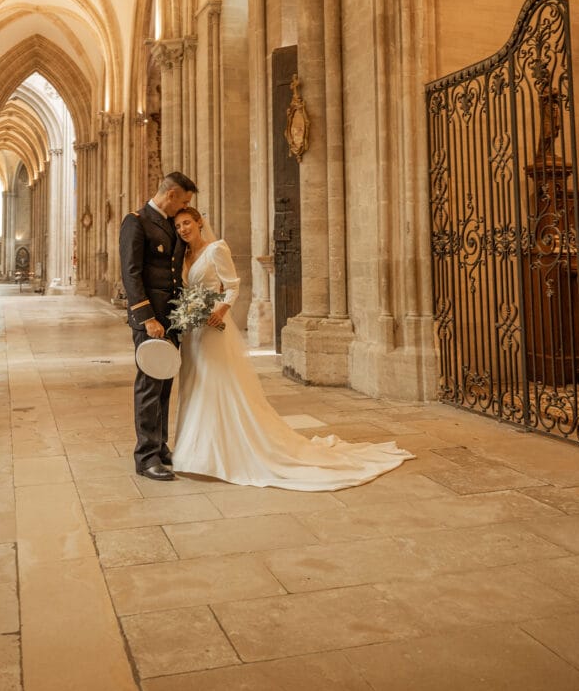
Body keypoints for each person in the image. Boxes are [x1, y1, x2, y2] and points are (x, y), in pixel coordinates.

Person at [171, 207, 415, 490]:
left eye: (186, 223)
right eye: (178, 226)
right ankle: (195, 453)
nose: (182, 229)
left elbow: (232, 286)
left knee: (218, 385)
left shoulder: (216, 249)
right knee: (195, 384)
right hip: (193, 332)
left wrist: (221, 310)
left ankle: (219, 453)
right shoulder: (185, 256)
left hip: (214, 326)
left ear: (199, 222)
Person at [119, 171, 197, 480]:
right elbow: (131, 272)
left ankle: (161, 446)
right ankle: (146, 455)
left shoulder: (169, 223)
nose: (186, 207)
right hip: (151, 319)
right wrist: (147, 318)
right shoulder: (136, 221)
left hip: (172, 316)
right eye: (185, 201)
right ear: (172, 194)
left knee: (165, 383)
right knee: (150, 384)